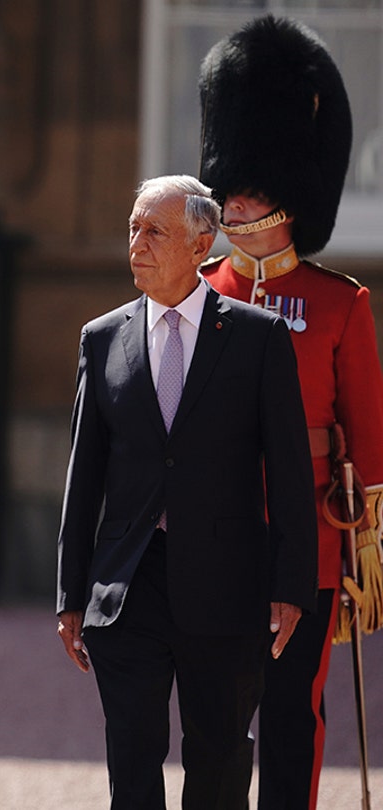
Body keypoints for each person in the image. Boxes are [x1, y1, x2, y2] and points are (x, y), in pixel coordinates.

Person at [56, 174, 317, 810]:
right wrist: (70, 592)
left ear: (200, 245)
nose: (137, 245)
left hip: (228, 586)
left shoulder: (259, 338)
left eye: (155, 232)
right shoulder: (102, 337)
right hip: (127, 586)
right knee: (133, 758)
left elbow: (287, 471)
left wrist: (291, 586)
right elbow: (82, 474)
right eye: (133, 229)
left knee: (222, 756)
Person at [195, 17, 383, 809]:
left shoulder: (340, 305)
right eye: (232, 186)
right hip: (211, 532)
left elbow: (368, 440)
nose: (236, 200)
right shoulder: (198, 292)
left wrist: (363, 543)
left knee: (291, 714)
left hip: (306, 540)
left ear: (288, 198)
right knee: (213, 716)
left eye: (254, 189)